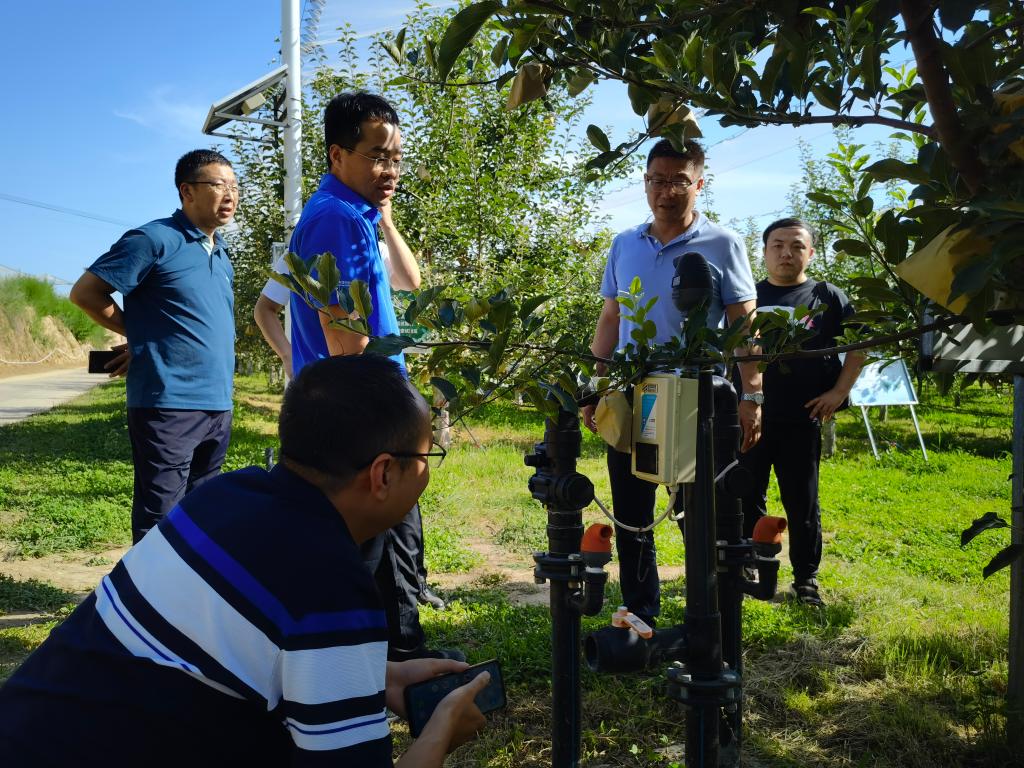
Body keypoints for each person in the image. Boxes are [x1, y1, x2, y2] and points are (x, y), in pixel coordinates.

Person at [0, 355, 490, 767]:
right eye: (427, 455)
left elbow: (227, 654)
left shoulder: (223, 497)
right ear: (383, 474)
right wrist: (440, 731)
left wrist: (376, 677)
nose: (428, 468)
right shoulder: (331, 583)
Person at [286, 90, 452, 660]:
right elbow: (345, 338)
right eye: (378, 156)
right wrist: (394, 420)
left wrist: (384, 215)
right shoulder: (335, 219)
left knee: (387, 547)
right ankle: (390, 664)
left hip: (367, 407)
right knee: (376, 554)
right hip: (364, 414)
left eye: (397, 158)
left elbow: (409, 282)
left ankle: (385, 658)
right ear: (338, 155)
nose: (391, 170)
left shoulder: (353, 215)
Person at [581, 139, 763, 629]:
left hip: (698, 394)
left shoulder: (723, 243)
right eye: (657, 180)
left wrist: (752, 395)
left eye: (678, 181)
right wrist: (594, 385)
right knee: (632, 507)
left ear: (699, 184)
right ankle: (641, 608)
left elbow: (744, 325)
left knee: (699, 508)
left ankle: (709, 611)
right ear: (645, 183)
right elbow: (611, 318)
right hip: (632, 391)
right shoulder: (624, 244)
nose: (666, 191)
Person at [255, 254, 447, 613]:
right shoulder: (322, 242)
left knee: (395, 510)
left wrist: (387, 227)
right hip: (347, 405)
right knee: (364, 509)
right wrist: (287, 355)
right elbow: (268, 309)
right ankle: (384, 613)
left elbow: (411, 281)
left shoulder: (371, 246)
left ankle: (408, 589)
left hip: (377, 398)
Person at [70, 149, 238, 544]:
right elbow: (86, 293)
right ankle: (148, 585)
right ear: (187, 191)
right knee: (160, 520)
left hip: (218, 403)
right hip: (168, 404)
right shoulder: (154, 239)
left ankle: (189, 583)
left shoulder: (221, 252)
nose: (230, 194)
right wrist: (142, 333)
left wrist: (153, 332)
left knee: (202, 515)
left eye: (234, 186)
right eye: (218, 185)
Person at [738, 218, 864, 607]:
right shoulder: (747, 297)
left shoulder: (827, 297)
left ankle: (805, 580)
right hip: (752, 416)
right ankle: (748, 565)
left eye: (796, 246)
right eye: (777, 245)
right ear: (764, 252)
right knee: (746, 495)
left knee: (802, 501)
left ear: (810, 253)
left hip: (801, 417)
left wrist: (839, 392)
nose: (786, 253)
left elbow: (860, 344)